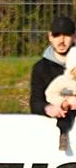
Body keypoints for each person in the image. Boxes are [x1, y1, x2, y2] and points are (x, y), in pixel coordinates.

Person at [30, 15, 76, 152]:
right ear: (50, 37)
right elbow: (35, 102)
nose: (61, 40)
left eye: (66, 35)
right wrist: (48, 108)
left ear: (74, 37)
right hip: (54, 128)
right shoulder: (40, 68)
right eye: (56, 35)